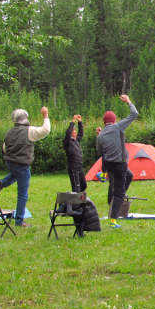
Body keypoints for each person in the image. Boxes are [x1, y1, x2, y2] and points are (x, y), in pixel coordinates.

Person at [0, 107, 51, 227]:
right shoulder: (29, 131)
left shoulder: (9, 132)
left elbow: (5, 148)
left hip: (10, 162)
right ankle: (19, 221)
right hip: (23, 164)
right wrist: (45, 116)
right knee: (22, 194)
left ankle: (2, 183)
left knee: (15, 175)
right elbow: (45, 130)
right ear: (25, 118)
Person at [96, 94, 137, 229]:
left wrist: (100, 135)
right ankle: (113, 219)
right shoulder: (118, 127)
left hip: (109, 165)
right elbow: (134, 114)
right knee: (119, 192)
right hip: (119, 164)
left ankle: (104, 177)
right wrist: (128, 101)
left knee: (129, 176)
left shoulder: (100, 135)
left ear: (104, 122)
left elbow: (99, 150)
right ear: (114, 121)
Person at [63, 114, 86, 193]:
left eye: (75, 131)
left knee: (83, 185)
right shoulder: (67, 142)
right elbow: (68, 132)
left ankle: (79, 198)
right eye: (73, 131)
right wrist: (72, 121)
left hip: (79, 166)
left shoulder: (76, 140)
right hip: (73, 167)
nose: (75, 132)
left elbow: (81, 133)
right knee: (76, 188)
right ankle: (76, 203)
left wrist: (80, 122)